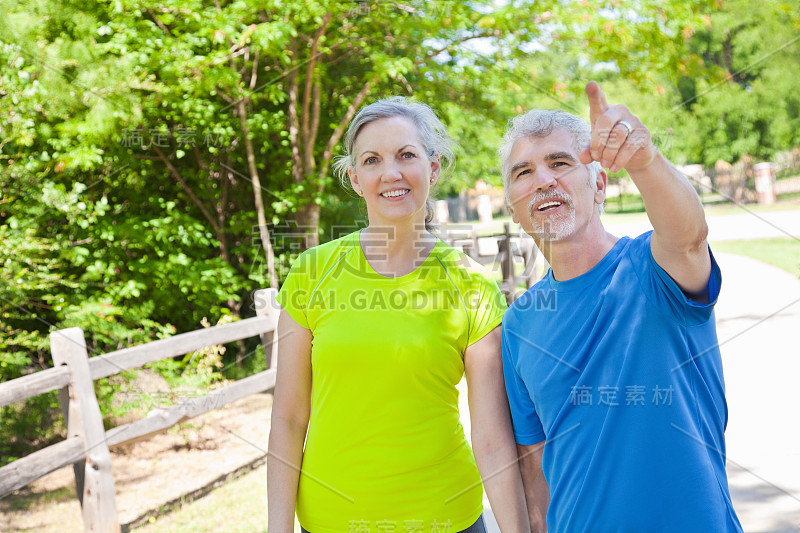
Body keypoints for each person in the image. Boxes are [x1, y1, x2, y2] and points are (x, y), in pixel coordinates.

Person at [268, 97, 529, 533]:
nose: (391, 173)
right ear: (355, 178)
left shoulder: (473, 286)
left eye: (406, 155)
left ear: (434, 167)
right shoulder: (310, 273)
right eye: (372, 160)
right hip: (332, 521)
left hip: (447, 519)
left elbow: (491, 437)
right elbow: (289, 418)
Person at [500, 82, 743, 532]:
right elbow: (535, 473)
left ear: (600, 185)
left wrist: (645, 161)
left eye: (560, 163)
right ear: (514, 210)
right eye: (523, 172)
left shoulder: (654, 268)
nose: (543, 180)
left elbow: (689, 237)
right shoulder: (517, 325)